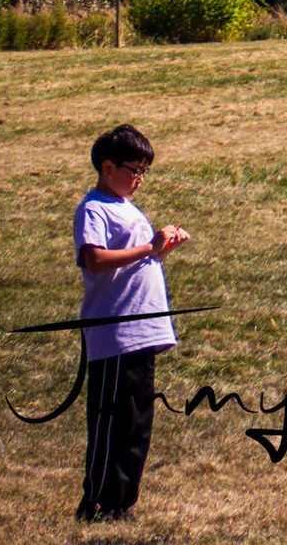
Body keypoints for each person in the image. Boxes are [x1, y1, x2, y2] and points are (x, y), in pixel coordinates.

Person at [73, 124, 191, 523]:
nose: (139, 179)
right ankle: (98, 503)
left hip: (143, 333)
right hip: (115, 334)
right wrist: (149, 246)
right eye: (133, 170)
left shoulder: (128, 208)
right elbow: (94, 259)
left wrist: (162, 250)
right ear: (107, 167)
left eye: (145, 171)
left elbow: (140, 261)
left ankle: (122, 503)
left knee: (137, 425)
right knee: (111, 423)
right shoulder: (95, 208)